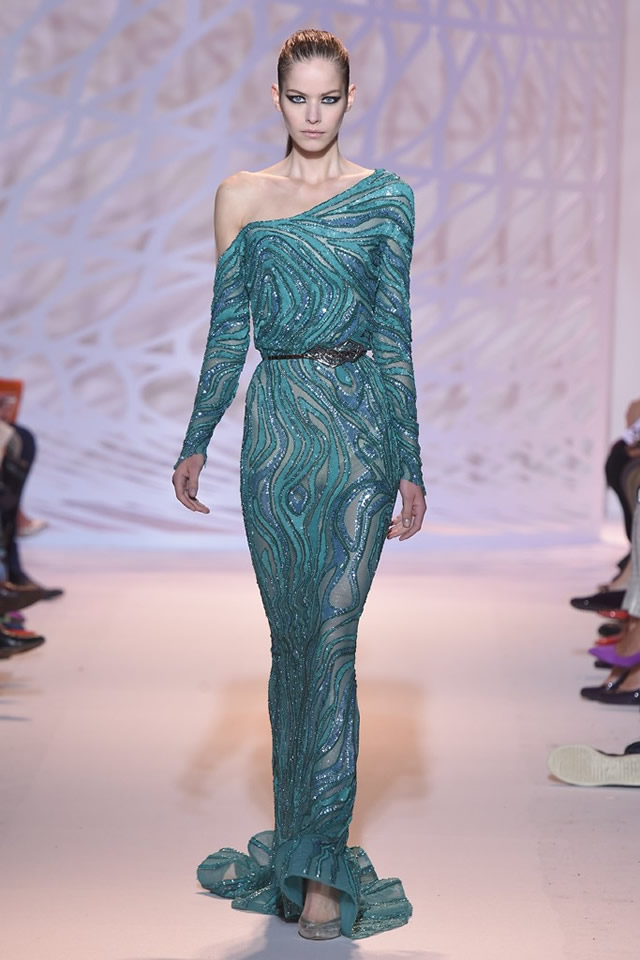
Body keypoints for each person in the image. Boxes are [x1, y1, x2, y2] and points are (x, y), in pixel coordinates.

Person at [172, 29, 426, 942]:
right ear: (276, 99)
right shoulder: (241, 196)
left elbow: (394, 333)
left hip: (360, 432)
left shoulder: (387, 198)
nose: (312, 114)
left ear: (350, 99)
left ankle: (322, 871)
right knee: (292, 651)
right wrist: (197, 438)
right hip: (277, 435)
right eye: (297, 98)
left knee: (333, 641)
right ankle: (297, 849)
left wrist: (410, 460)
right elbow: (226, 330)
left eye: (327, 98)